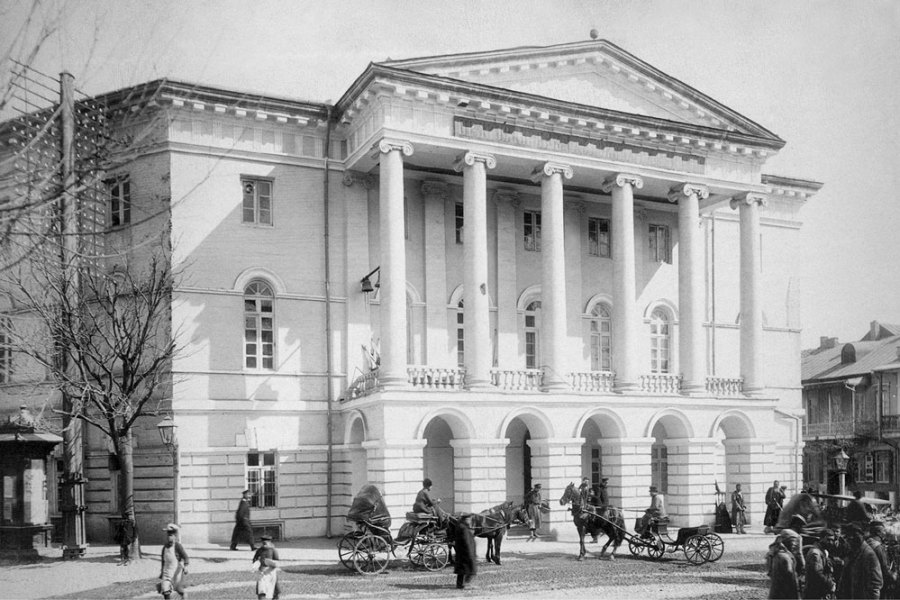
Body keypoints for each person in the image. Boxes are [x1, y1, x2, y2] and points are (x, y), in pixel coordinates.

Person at [838, 523, 882, 600]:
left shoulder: (868, 554)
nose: (851, 538)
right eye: (849, 536)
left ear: (862, 535)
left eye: (855, 535)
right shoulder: (852, 551)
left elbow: (876, 584)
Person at [767, 515, 805, 599]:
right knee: (790, 590)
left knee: (776, 590)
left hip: (777, 563)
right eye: (801, 526)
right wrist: (803, 567)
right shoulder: (798, 537)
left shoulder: (783, 533)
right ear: (798, 526)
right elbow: (799, 554)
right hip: (788, 563)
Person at [804, 528, 838, 599]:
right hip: (815, 593)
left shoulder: (823, 552)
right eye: (828, 540)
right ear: (821, 538)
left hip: (820, 592)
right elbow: (817, 574)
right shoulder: (815, 553)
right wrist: (830, 584)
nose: (831, 542)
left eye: (832, 540)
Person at [157, 524, 188, 600]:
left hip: (176, 571)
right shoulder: (164, 547)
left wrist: (186, 566)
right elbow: (163, 561)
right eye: (168, 535)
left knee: (178, 589)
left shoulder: (177, 546)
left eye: (171, 535)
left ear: (175, 536)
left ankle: (184, 595)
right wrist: (162, 572)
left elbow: (185, 557)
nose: (169, 537)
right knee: (165, 588)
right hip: (167, 572)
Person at [866, 521, 895, 599]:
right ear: (878, 532)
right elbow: (884, 567)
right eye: (883, 531)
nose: (885, 533)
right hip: (877, 583)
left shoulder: (866, 543)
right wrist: (893, 576)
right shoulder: (878, 547)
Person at [252, 534, 281, 600]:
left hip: (271, 571)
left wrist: (273, 564)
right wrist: (256, 564)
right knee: (261, 589)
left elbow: (277, 560)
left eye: (266, 542)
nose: (265, 543)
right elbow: (255, 559)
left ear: (270, 542)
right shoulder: (259, 550)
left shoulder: (273, 550)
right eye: (263, 542)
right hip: (262, 571)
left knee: (274, 588)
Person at [453, 514, 477, 590]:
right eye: (469, 519)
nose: (470, 521)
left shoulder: (461, 527)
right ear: (465, 520)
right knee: (471, 569)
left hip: (461, 553)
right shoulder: (464, 529)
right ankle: (466, 584)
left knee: (461, 570)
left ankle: (459, 584)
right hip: (466, 553)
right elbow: (467, 542)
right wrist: (470, 553)